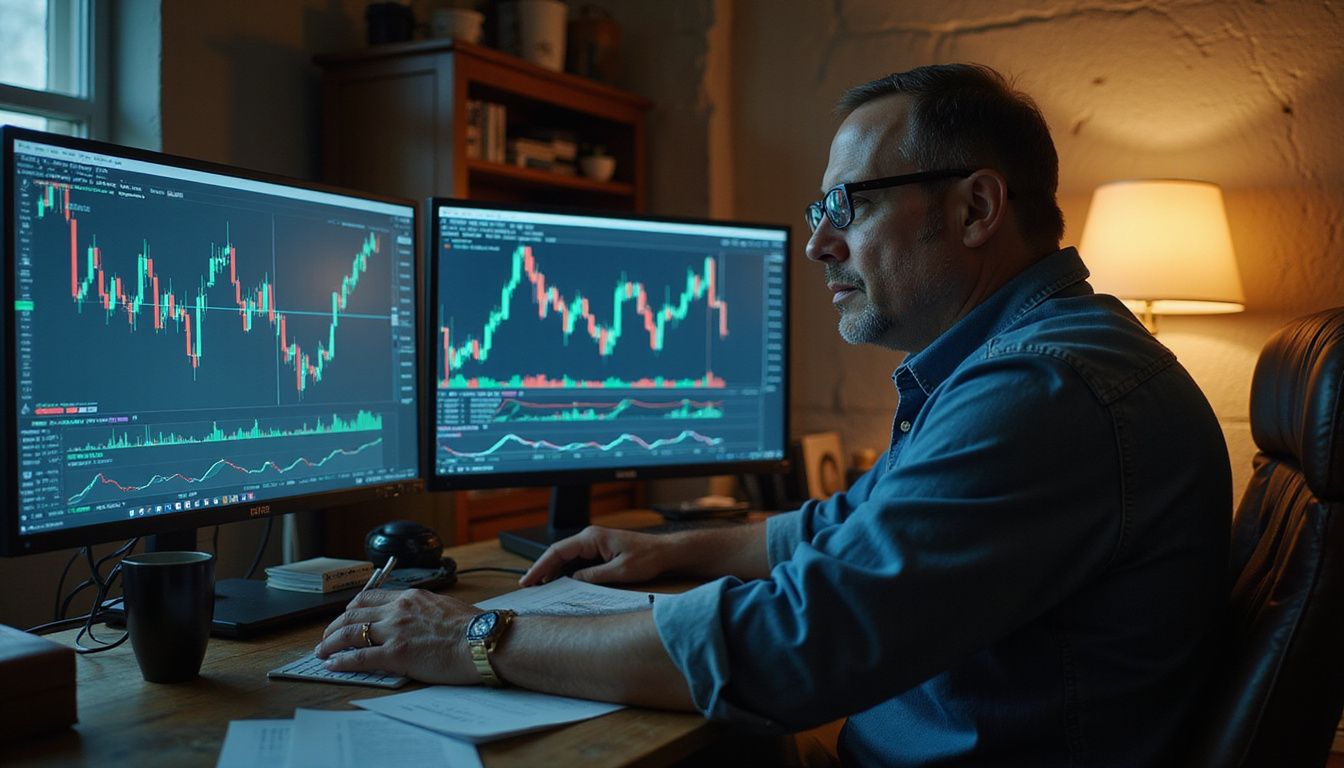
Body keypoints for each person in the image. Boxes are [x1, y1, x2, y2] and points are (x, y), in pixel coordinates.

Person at [317, 63, 1232, 767]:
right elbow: (862, 526)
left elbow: (797, 645)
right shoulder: (1031, 359)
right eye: (816, 208)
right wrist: (681, 548)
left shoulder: (1045, 393)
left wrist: (477, 636)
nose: (818, 242)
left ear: (976, 207)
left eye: (848, 204)